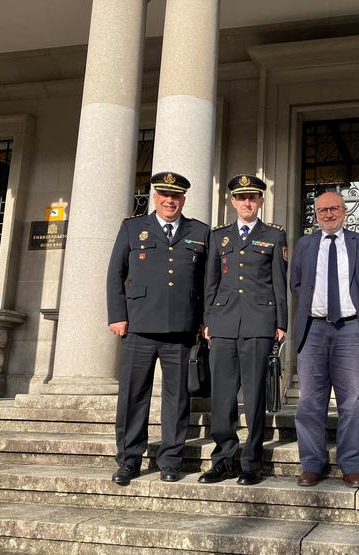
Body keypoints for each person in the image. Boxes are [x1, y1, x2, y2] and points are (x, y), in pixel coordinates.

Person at [107, 171, 209, 485]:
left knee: (177, 400)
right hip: (138, 326)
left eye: (176, 196)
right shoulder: (133, 227)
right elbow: (115, 275)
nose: (169, 201)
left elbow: (207, 283)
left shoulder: (200, 232)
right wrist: (117, 316)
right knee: (133, 396)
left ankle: (171, 460)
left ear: (183, 199)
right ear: (155, 197)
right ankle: (129, 460)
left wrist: (205, 320)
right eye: (164, 195)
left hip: (181, 328)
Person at [198, 174, 288, 486]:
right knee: (222, 397)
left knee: (254, 397)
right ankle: (223, 460)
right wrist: (208, 319)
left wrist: (281, 323)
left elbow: (279, 282)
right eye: (240, 197)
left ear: (261, 201)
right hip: (223, 324)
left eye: (252, 197)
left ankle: (252, 463)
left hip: (258, 324)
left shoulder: (274, 236)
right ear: (232, 201)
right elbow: (210, 283)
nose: (246, 202)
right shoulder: (218, 237)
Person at [290, 191, 359, 488]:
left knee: (351, 401)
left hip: (351, 330)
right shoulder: (305, 244)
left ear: (345, 210)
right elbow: (297, 284)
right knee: (309, 401)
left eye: (333, 209)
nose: (328, 214)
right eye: (322, 210)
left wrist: (347, 306)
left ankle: (352, 464)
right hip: (313, 329)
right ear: (315, 214)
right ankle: (312, 463)